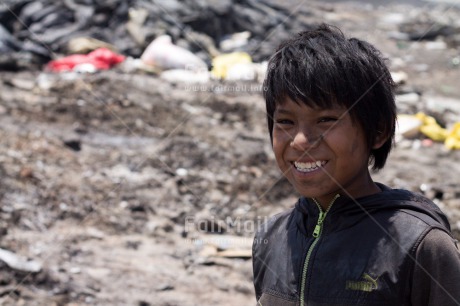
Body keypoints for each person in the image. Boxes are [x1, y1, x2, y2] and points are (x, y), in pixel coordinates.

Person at [252, 24, 460, 306]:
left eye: (326, 119)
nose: (300, 141)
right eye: (285, 122)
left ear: (377, 132)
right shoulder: (271, 237)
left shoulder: (421, 245)